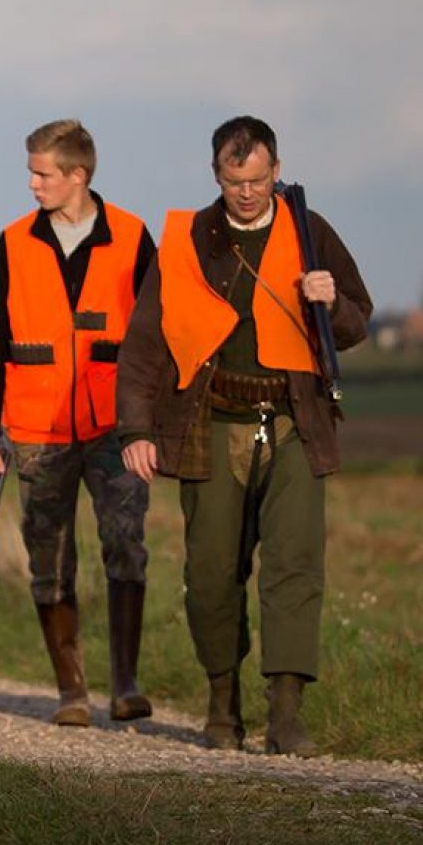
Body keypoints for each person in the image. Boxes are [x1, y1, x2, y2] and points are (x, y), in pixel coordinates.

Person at [117, 116, 371, 756]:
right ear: (216, 177)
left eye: (258, 179)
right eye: (236, 182)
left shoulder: (311, 232)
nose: (249, 193)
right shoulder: (186, 241)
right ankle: (221, 702)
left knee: (294, 570)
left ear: (276, 170)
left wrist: (330, 299)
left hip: (294, 425)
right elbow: (146, 342)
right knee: (209, 576)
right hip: (210, 424)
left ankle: (286, 714)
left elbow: (356, 325)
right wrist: (136, 429)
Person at [0, 120, 156, 726]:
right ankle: (71, 690)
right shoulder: (13, 240)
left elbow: (155, 337)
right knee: (49, 560)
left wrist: (148, 424)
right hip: (35, 429)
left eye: (42, 173)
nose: (32, 184)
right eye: (31, 171)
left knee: (125, 545)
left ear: (78, 176)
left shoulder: (132, 237)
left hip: (115, 428)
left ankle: (125, 684)